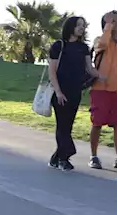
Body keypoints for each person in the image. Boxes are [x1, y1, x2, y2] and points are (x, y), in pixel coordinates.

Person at [48, 16, 100, 171]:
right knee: (62, 125)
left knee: (67, 126)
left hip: (75, 91)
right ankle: (65, 157)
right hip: (60, 92)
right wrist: (58, 92)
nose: (81, 28)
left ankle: (56, 158)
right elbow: (52, 71)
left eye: (83, 26)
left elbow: (89, 69)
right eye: (78, 25)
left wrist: (104, 75)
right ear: (70, 27)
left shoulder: (83, 47)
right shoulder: (59, 45)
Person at [89, 10, 118, 169]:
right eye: (113, 22)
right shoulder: (100, 40)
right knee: (97, 123)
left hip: (116, 91)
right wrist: (108, 26)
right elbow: (102, 46)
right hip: (100, 89)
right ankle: (94, 156)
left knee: (117, 125)